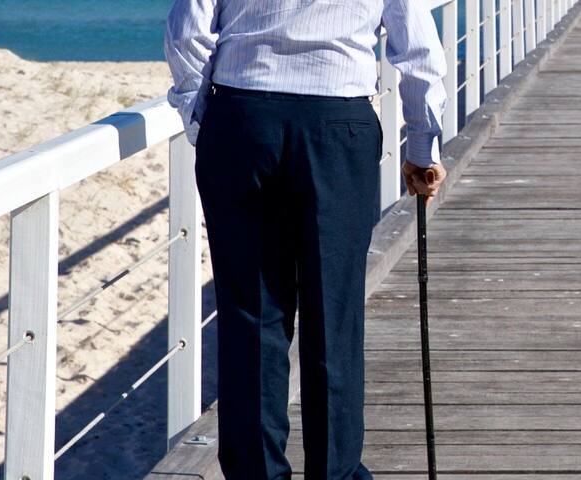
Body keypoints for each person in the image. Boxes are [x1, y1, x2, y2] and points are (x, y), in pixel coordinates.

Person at [164, 0, 448, 478]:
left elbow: (186, 31)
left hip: (244, 117)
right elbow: (417, 48)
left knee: (251, 312)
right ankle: (334, 473)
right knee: (333, 314)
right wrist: (422, 144)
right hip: (337, 123)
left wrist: (201, 116)